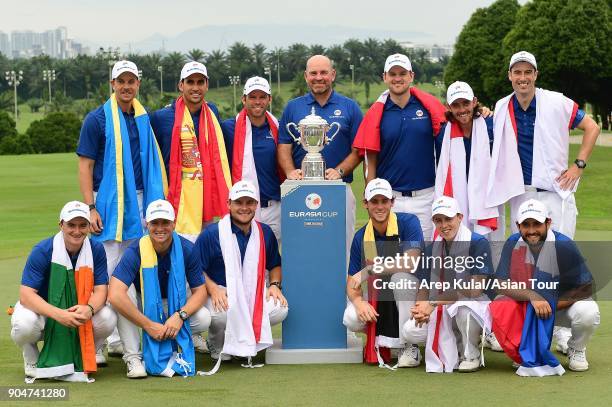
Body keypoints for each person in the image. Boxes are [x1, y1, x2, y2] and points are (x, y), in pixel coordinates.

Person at [77, 60, 167, 356]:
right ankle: (103, 339)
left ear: (138, 84)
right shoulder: (97, 119)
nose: (127, 86)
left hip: (142, 201)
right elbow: (85, 164)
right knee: (108, 273)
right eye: (121, 81)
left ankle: (123, 337)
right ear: (112, 84)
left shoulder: (142, 118)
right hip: (109, 203)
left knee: (134, 272)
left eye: (132, 81)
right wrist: (90, 207)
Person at [486, 51, 600, 239]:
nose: (523, 78)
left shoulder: (556, 101)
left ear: (536, 75)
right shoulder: (501, 106)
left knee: (559, 258)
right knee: (525, 261)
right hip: (520, 194)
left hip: (554, 192)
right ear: (510, 75)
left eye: (528, 72)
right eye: (517, 72)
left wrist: (579, 165)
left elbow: (592, 127)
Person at [490, 199, 599, 375]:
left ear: (548, 223)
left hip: (560, 307)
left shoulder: (563, 245)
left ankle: (576, 348)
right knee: (500, 303)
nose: (532, 230)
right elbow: (501, 284)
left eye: (537, 224)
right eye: (526, 225)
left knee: (588, 310)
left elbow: (586, 287)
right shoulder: (513, 242)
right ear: (518, 226)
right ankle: (522, 350)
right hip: (529, 306)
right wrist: (533, 297)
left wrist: (551, 305)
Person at [10, 201, 116, 381]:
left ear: (89, 227)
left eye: (83, 225)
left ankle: (88, 351)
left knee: (107, 317)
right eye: (71, 225)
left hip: (78, 308)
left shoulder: (96, 249)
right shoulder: (43, 250)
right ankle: (31, 357)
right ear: (61, 225)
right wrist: (59, 314)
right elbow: (26, 295)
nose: (77, 231)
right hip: (42, 311)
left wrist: (89, 309)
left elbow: (101, 291)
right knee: (23, 324)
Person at [193, 180, 288, 374]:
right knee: (222, 314)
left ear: (256, 205)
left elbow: (275, 264)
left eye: (249, 202)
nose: (244, 208)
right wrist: (213, 288)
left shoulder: (264, 232)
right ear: (229, 204)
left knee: (280, 309)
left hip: (252, 291)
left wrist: (275, 285)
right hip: (219, 293)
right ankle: (217, 343)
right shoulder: (211, 234)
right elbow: (195, 270)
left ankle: (246, 340)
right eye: (239, 202)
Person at [109, 199, 211, 378]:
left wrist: (180, 316)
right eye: (155, 223)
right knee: (124, 297)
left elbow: (200, 291)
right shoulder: (135, 250)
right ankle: (133, 357)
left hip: (174, 305)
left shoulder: (187, 249)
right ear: (147, 224)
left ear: (173, 223)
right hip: (144, 303)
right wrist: (148, 325)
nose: (160, 228)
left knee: (203, 318)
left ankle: (181, 339)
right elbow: (115, 294)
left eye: (165, 222)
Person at [353, 54, 447, 240]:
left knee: (425, 260)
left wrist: (482, 112)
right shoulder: (377, 113)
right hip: (390, 199)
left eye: (402, 73)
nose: (398, 78)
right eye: (393, 73)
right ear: (385, 77)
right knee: (391, 261)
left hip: (426, 197)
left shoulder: (429, 108)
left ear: (411, 75)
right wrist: (372, 198)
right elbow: (370, 159)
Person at [278, 54, 363, 243]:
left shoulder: (350, 107)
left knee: (342, 248)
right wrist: (290, 172)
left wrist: (340, 171)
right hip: (299, 189)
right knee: (303, 246)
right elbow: (284, 145)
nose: (318, 77)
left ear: (332, 75)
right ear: (306, 76)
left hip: (339, 188)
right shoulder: (293, 107)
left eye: (324, 72)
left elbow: (358, 150)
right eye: (313, 73)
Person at [343, 178, 425, 369]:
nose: (380, 206)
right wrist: (359, 302)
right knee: (351, 318)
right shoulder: (361, 236)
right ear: (366, 204)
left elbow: (410, 262)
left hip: (414, 299)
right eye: (374, 201)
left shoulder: (408, 223)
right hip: (382, 299)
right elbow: (351, 282)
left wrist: (371, 269)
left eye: (384, 201)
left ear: (392, 202)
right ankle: (381, 337)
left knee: (399, 279)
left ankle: (408, 345)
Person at [410, 196, 495, 373]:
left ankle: (471, 353)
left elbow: (474, 289)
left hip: (475, 306)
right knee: (410, 331)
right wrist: (420, 308)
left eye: (448, 219)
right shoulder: (432, 248)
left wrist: (432, 303)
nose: (444, 225)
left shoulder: (478, 242)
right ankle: (454, 344)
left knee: (464, 311)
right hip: (443, 306)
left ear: (460, 217)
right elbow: (424, 286)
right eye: (438, 220)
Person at [150, 61, 231, 243]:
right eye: (190, 82)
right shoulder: (161, 117)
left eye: (200, 82)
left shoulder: (212, 113)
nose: (196, 88)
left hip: (206, 200)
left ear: (207, 85)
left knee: (206, 258)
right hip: (176, 202)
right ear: (181, 85)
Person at [434, 81, 503, 239]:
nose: (462, 109)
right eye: (456, 105)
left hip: (487, 199)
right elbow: (442, 172)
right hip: (457, 198)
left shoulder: (490, 126)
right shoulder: (444, 134)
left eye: (466, 103)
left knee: (490, 248)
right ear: (449, 107)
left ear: (474, 101)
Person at [221, 76, 284, 242]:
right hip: (243, 208)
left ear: (269, 99)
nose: (258, 102)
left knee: (272, 263)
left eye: (262, 97)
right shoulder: (228, 128)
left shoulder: (279, 127)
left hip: (274, 208)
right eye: (252, 97)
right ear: (244, 99)